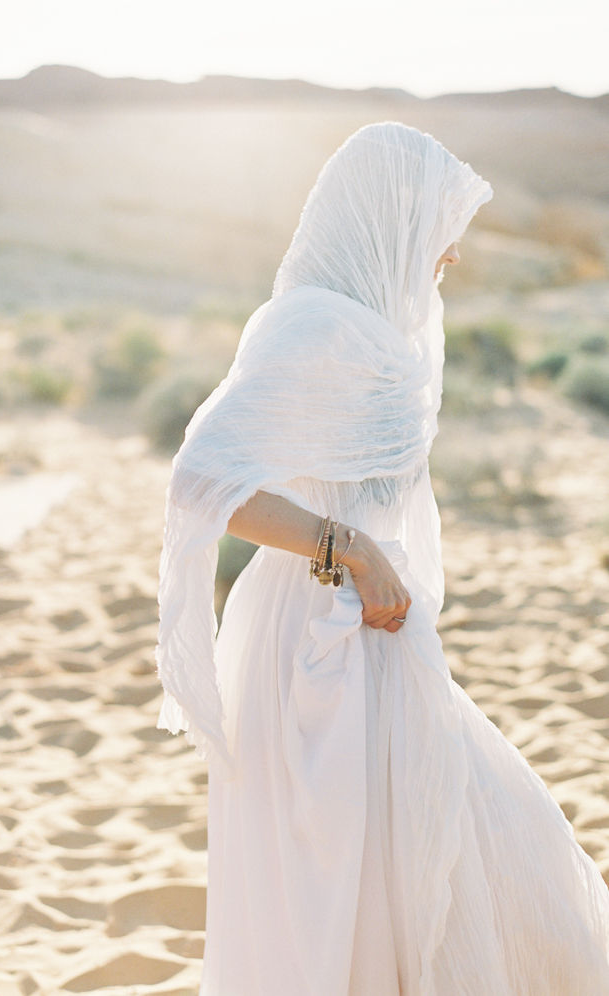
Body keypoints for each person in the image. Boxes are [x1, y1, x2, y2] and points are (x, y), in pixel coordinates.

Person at [155, 122, 609, 995]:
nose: (451, 254)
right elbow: (203, 478)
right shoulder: (317, 326)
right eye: (441, 224)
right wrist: (351, 550)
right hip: (313, 638)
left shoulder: (367, 329)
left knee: (438, 861)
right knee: (347, 890)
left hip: (372, 630)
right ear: (388, 214)